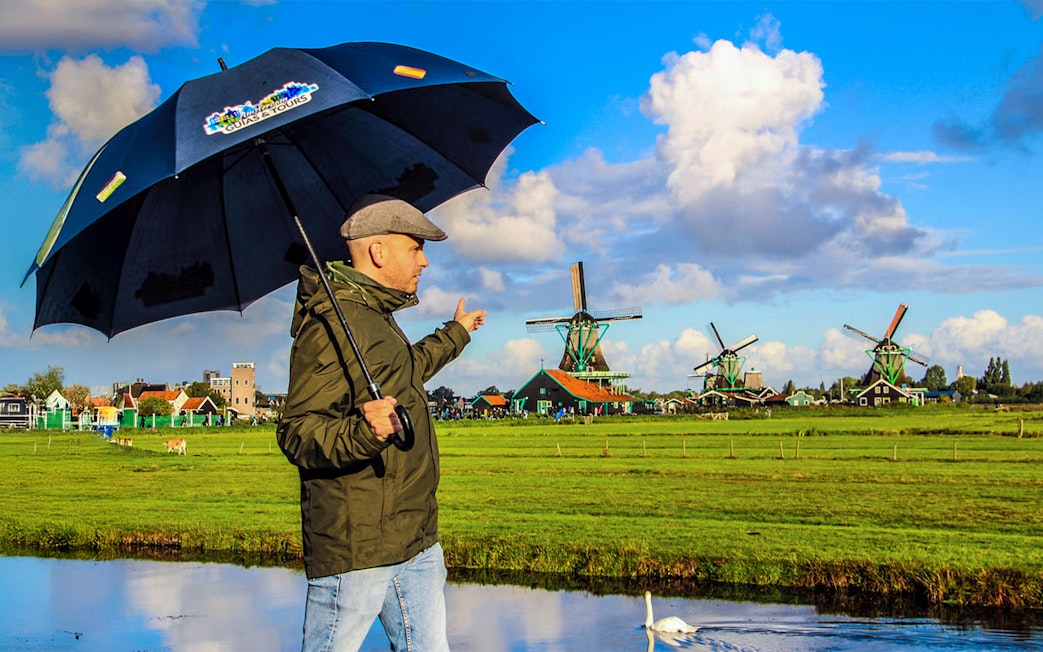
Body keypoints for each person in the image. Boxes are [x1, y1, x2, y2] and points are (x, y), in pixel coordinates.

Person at [276, 194, 485, 652]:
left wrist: (458, 332)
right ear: (379, 252)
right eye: (416, 248)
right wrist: (363, 433)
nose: (425, 262)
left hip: (414, 535)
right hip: (359, 545)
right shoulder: (329, 324)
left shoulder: (373, 317)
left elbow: (405, 369)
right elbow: (297, 431)